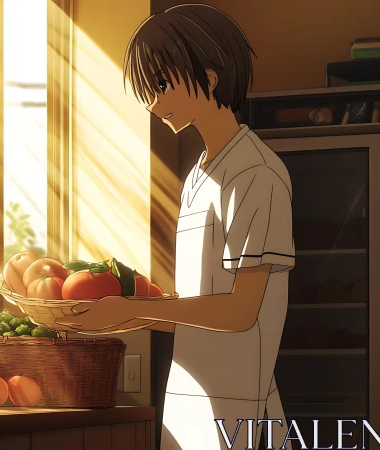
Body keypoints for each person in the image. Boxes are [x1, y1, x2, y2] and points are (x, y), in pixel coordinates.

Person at [55, 4, 295, 450]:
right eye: (148, 89)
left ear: (209, 79)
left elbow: (241, 313)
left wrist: (131, 311)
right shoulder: (197, 177)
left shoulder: (257, 174)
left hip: (241, 407)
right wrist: (119, 313)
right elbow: (197, 306)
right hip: (187, 400)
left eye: (161, 85)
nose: (152, 102)